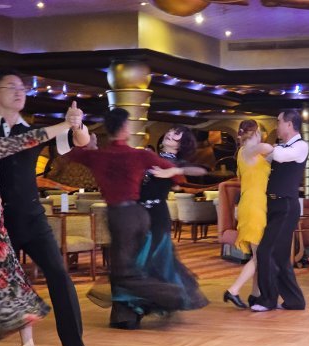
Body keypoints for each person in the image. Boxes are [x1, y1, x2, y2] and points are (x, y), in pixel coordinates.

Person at [0, 70, 91, 346]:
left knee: (59, 276)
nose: (20, 92)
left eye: (22, 88)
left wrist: (77, 123)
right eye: (11, 87)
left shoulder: (35, 131)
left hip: (31, 217)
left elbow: (79, 141)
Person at [68, 108, 186, 330]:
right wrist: (167, 176)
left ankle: (169, 295)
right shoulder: (140, 155)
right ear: (125, 128)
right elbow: (177, 174)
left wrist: (86, 144)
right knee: (125, 266)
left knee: (123, 270)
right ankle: (124, 316)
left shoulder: (98, 156)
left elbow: (71, 155)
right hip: (138, 215)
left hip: (120, 217)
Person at [135, 125, 209, 314]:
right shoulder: (153, 158)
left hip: (157, 216)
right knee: (138, 259)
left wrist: (172, 171)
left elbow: (201, 170)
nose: (169, 134)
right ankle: (145, 301)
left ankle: (154, 301)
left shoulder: (177, 162)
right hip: (138, 215)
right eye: (169, 132)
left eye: (176, 134)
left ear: (181, 144)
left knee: (153, 260)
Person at [250, 110, 308, 312]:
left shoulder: (301, 146)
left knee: (266, 251)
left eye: (279, 121)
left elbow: (280, 156)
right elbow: (263, 163)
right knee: (281, 256)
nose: (277, 125)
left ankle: (268, 299)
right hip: (273, 205)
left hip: (286, 206)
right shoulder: (280, 146)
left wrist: (264, 147)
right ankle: (295, 300)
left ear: (289, 124)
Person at [223, 120, 272, 309]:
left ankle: (255, 294)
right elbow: (266, 148)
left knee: (259, 254)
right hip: (253, 205)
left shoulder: (252, 154)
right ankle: (233, 290)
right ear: (255, 133)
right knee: (259, 256)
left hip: (256, 204)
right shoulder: (247, 151)